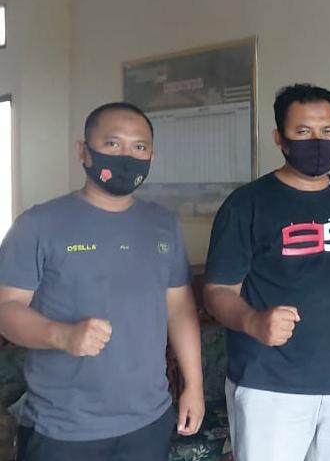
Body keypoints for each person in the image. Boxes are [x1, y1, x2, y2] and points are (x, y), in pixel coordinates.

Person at [204, 83, 330, 461]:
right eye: (303, 131)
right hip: (270, 386)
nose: (317, 141)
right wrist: (253, 322)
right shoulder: (247, 204)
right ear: (279, 138)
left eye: (328, 131)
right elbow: (217, 292)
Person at [0, 102, 204, 461]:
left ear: (151, 157)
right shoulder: (38, 224)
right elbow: (6, 308)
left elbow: (179, 309)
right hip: (63, 428)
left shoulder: (163, 224)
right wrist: (62, 335)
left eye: (139, 147)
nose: (127, 156)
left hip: (149, 420)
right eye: (112, 143)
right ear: (84, 151)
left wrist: (194, 385)